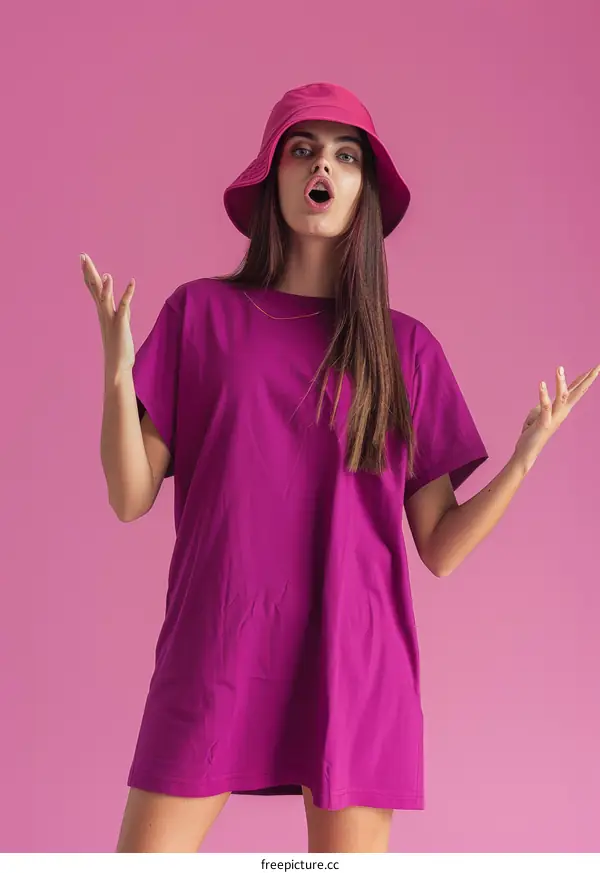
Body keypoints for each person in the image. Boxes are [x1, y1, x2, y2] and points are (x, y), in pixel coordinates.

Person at [81, 82, 600, 853]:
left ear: (361, 189)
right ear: (274, 176)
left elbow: (440, 547)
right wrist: (120, 376)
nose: (323, 164)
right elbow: (129, 497)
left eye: (345, 154)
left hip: (353, 663)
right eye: (303, 149)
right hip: (214, 650)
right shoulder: (199, 317)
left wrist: (524, 459)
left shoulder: (405, 350)